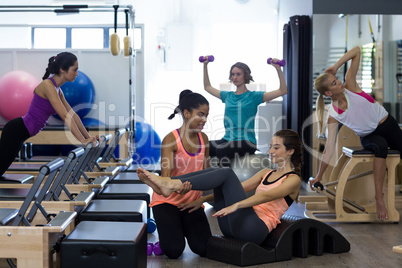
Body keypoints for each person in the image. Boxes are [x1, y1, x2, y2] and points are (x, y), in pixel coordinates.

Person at [137, 129, 302, 245]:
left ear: (290, 151)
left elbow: (266, 196)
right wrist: (202, 199)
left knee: (227, 173)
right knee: (221, 175)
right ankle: (170, 183)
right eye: (271, 146)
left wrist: (237, 205)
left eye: (276, 147)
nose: (270, 150)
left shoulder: (293, 180)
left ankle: (170, 183)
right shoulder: (266, 172)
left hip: (254, 230)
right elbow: (239, 188)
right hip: (233, 227)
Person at [310, 46, 402, 220]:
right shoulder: (334, 114)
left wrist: (335, 67)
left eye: (336, 79)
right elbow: (329, 148)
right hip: (369, 136)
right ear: (329, 93)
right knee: (380, 147)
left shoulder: (350, 85)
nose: (339, 82)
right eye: (334, 83)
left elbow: (357, 50)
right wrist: (319, 176)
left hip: (388, 124)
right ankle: (379, 199)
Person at [0, 52, 98, 177]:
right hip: (16, 130)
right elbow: (65, 117)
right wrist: (83, 140)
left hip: (22, 132)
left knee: (1, 167)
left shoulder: (58, 90)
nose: (77, 74)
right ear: (63, 69)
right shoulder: (48, 86)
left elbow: (73, 115)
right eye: (75, 70)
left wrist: (88, 137)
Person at [150, 89, 212, 259]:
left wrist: (207, 196)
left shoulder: (204, 139)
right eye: (200, 114)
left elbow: (207, 174)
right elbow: (165, 180)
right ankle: (171, 231)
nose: (204, 120)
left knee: (204, 248)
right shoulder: (170, 140)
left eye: (206, 115)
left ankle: (181, 226)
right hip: (167, 201)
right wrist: (178, 188)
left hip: (192, 202)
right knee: (174, 250)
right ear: (186, 113)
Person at [202, 58, 287, 162]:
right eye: (233, 74)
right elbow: (207, 87)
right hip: (228, 139)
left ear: (245, 76)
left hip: (247, 141)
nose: (235, 77)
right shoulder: (227, 96)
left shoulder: (254, 96)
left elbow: (283, 90)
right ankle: (208, 175)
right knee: (205, 147)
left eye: (238, 74)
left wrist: (278, 69)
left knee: (221, 150)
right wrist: (205, 65)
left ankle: (225, 178)